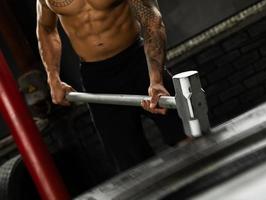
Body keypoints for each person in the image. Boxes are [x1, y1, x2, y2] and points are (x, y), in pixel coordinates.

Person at [36, 0, 187, 171]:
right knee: (130, 164)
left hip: (138, 63)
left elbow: (151, 18)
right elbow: (45, 28)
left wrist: (156, 79)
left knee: (186, 135)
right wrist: (53, 78)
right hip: (97, 78)